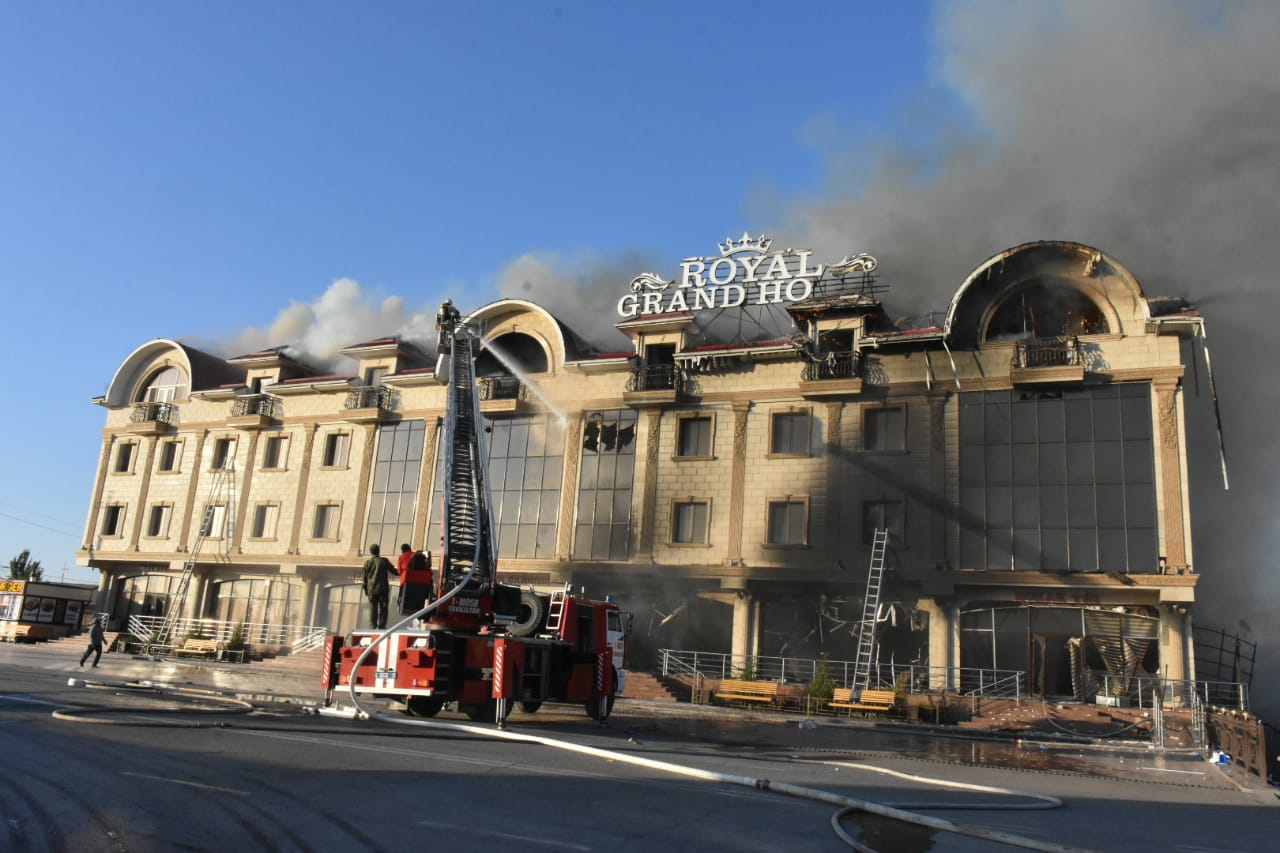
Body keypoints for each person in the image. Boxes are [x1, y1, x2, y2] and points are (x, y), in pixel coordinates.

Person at [361, 544, 399, 629]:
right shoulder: (384, 561)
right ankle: (382, 626)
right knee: (384, 607)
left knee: (373, 607)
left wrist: (366, 590)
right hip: (382, 588)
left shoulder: (367, 563)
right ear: (378, 551)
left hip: (371, 589)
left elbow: (365, 578)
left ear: (371, 552)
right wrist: (404, 571)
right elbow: (394, 571)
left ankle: (372, 625)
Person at [399, 545, 434, 616]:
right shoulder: (418, 555)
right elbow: (428, 569)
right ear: (410, 549)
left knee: (405, 600)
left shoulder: (401, 557)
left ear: (402, 551)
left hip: (408, 580)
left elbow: (399, 571)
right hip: (423, 581)